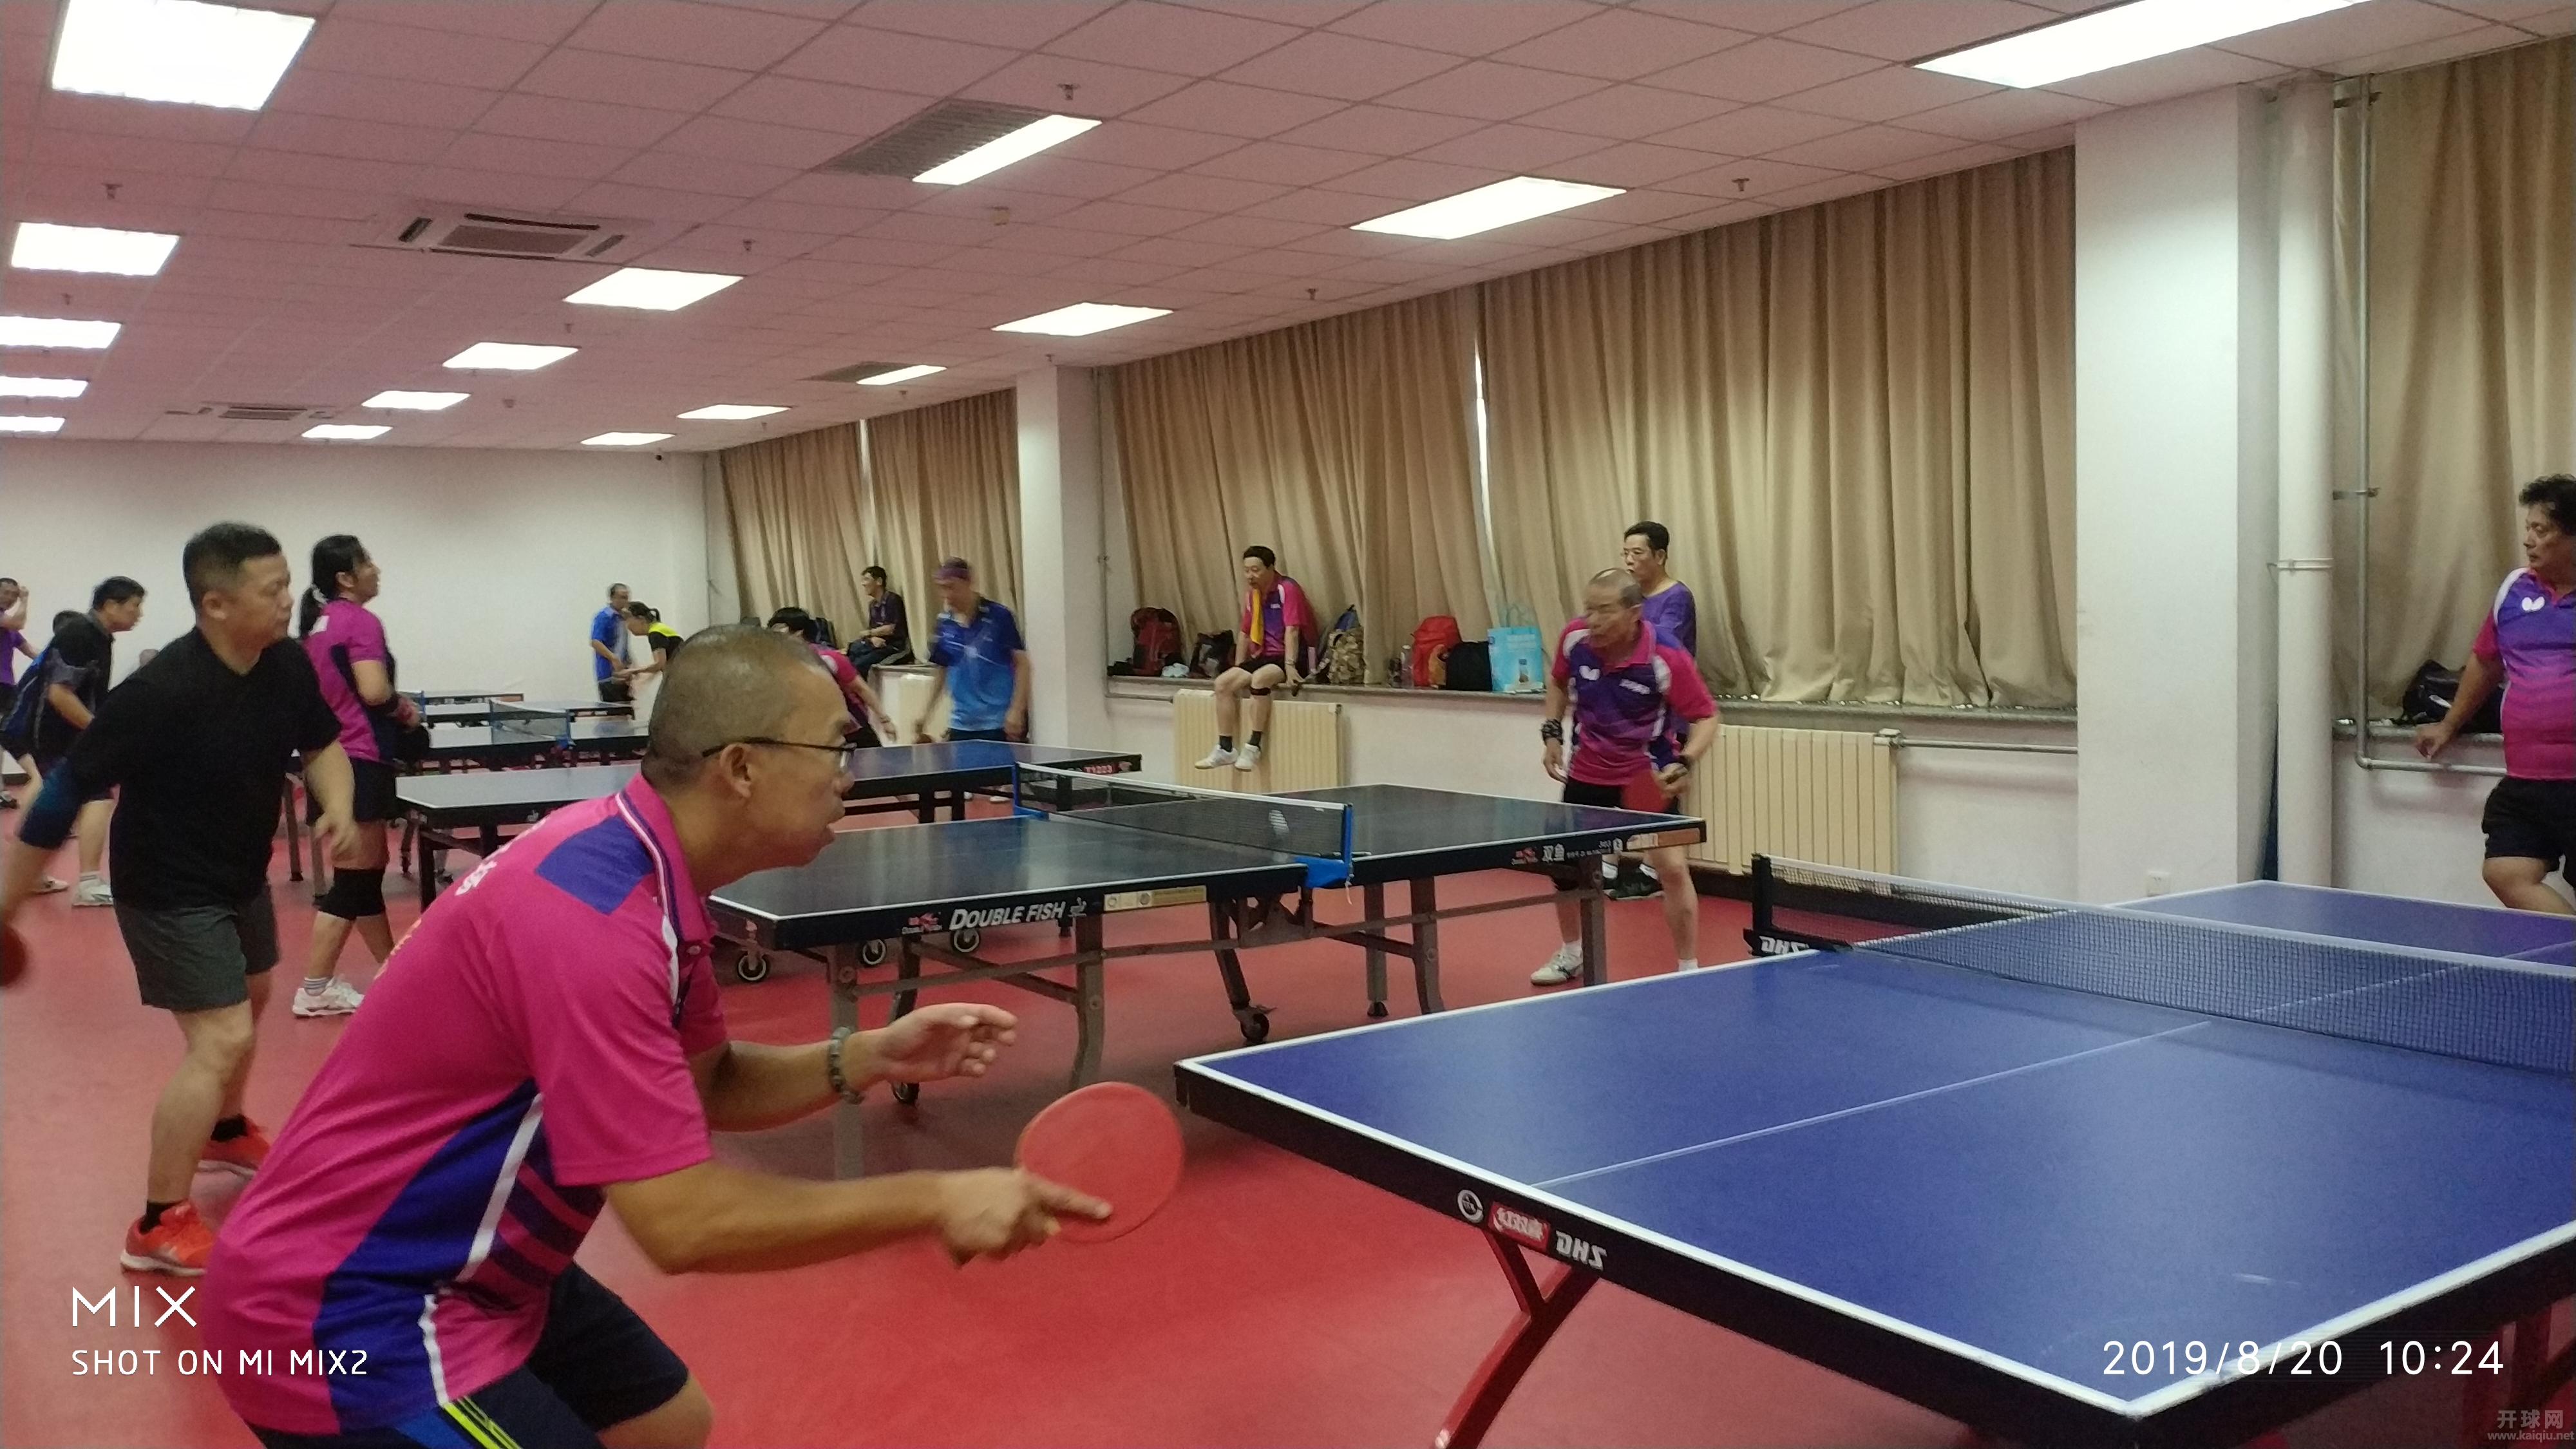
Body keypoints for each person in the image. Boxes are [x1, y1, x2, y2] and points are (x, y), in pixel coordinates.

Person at [198, 627, 1103, 1449]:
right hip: (342, 1310)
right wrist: (936, 1199)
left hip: (479, 1271)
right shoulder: (595, 921)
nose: (849, 773)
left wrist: (862, 1056)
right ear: (741, 766)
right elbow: (683, 1223)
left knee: (666, 1420)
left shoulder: (649, 874)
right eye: (835, 745)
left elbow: (707, 1085)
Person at [0, 524, 356, 1274]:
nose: (289, 600)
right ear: (217, 604)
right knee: (221, 1038)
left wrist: (340, 807)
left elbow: (322, 745)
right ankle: (158, 1223)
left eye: (287, 584)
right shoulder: (159, 693)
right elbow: (60, 796)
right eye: (272, 590)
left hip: (239, 875)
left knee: (255, 994)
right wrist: (6, 904)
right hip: (165, 887)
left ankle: (225, 1130)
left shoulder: (286, 663)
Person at [1531, 569, 1718, 987]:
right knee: (1564, 867)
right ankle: (1572, 953)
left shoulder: (1665, 656)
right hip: (1588, 771)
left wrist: (1685, 761)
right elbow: (1558, 681)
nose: (1593, 621)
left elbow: (1706, 716)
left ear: (1634, 613)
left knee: (1672, 868)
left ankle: (1688, 968)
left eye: (1605, 611)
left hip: (1645, 777)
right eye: (1588, 609)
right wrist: (1552, 732)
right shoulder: (1575, 639)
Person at [2418, 474, 2576, 915]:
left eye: (2541, 530)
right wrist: (2450, 724)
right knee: (2505, 872)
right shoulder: (2514, 590)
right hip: (2526, 776)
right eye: (2528, 528)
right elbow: (2486, 662)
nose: (2529, 540)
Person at [296, 535, 421, 1018]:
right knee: (353, 879)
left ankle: (393, 974)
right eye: (367, 562)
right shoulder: (360, 621)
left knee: (367, 870)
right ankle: (314, 988)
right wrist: (405, 712)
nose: (376, 568)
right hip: (360, 757)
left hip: (328, 758)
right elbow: (373, 691)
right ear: (345, 577)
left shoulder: (319, 623)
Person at [35, 576, 148, 907]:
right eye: (135, 606)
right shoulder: (80, 634)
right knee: (98, 798)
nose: (139, 614)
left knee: (58, 800)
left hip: (64, 735)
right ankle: (88, 883)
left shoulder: (98, 637)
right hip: (57, 735)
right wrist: (98, 731)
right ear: (111, 605)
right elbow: (60, 694)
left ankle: (33, 875)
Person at [1607, 522, 1701, 899]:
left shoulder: (1677, 598)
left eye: (1638, 553)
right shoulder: (1630, 598)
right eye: (1625, 554)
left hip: (1669, 711)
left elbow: (1657, 647)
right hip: (1631, 713)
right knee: (1621, 787)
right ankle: (1609, 866)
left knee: (1661, 790)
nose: (1630, 561)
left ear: (1660, 556)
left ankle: (1654, 872)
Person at [1197, 545, 1318, 773]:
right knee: (1222, 684)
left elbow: (1292, 630)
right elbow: (1245, 633)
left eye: (1256, 570)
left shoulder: (1287, 589)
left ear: (1271, 568)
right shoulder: (1252, 595)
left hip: (1292, 655)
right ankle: (1225, 748)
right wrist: (1238, 667)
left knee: (1260, 680)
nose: (1250, 576)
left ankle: (1253, 746)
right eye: (1246, 571)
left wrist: (1290, 667)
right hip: (1264, 655)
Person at [911, 558, 1028, 743]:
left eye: (951, 587)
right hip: (961, 724)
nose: (947, 595)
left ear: (968, 582)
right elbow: (942, 671)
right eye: (942, 588)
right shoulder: (945, 623)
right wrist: (925, 714)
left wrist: (1017, 710)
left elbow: (1023, 664)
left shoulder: (999, 616)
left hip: (998, 723)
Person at [771, 607, 889, 746]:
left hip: (852, 729)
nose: (775, 637)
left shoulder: (828, 658)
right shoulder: (778, 662)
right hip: (813, 735)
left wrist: (885, 720)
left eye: (781, 630)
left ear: (799, 632)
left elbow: (861, 688)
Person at [0, 577, 34, 809]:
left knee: (5, 738)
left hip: (6, 686)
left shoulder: (9, 628)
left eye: (14, 594)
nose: (11, 598)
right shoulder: (8, 621)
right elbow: (18, 623)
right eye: (6, 593)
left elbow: (30, 651)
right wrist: (25, 600)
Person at [847, 565, 911, 675]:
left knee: (860, 665)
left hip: (893, 647)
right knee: (852, 652)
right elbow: (872, 628)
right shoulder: (872, 605)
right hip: (877, 645)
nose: (863, 584)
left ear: (879, 581)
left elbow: (892, 628)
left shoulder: (893, 600)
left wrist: (870, 633)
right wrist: (873, 638)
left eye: (866, 579)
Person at [590, 583, 633, 705]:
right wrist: (614, 658)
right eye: (622, 597)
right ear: (613, 598)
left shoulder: (623, 618)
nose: (626, 601)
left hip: (623, 673)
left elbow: (622, 644)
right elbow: (596, 642)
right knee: (615, 710)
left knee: (626, 709)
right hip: (608, 673)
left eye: (627, 597)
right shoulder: (604, 617)